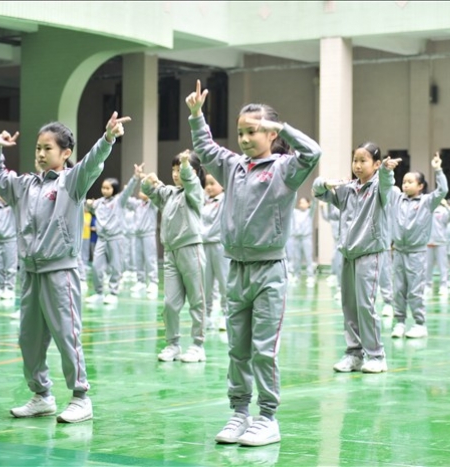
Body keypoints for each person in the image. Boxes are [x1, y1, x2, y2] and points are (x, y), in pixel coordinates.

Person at [186, 80, 321, 446]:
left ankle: (267, 417)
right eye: (241, 132)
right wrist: (197, 116)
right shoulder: (233, 167)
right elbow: (205, 148)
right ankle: (239, 412)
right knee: (237, 349)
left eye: (253, 131)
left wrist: (285, 128)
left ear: (271, 134)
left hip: (268, 271)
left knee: (263, 349)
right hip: (236, 269)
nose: (245, 139)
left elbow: (313, 153)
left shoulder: (284, 169)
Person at [0, 111, 130, 424]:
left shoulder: (71, 182)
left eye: (47, 148)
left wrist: (107, 139)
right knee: (28, 338)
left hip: (60, 271)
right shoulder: (24, 185)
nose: (40, 153)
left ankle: (81, 397)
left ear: (65, 153)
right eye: (38, 148)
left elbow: (92, 163)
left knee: (67, 335)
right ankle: (41, 395)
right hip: (30, 271)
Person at [312, 142, 399, 374]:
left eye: (363, 161)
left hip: (369, 253)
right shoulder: (347, 189)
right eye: (355, 161)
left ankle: (377, 356)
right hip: (348, 255)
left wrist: (386, 171)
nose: (358, 165)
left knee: (365, 305)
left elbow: (387, 183)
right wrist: (325, 183)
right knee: (349, 306)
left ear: (376, 164)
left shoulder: (379, 188)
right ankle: (354, 354)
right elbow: (317, 192)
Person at [142, 150, 208, 363]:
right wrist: (148, 180)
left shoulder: (195, 193)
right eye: (174, 170)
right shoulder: (169, 194)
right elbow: (150, 191)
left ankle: (198, 346)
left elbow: (191, 181)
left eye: (180, 170)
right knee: (170, 303)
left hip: (191, 249)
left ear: (193, 172)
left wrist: (186, 166)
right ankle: (173, 344)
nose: (176, 174)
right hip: (171, 252)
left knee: (197, 300)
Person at [388, 153, 448, 339]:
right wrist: (388, 171)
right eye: (404, 182)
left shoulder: (427, 202)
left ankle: (419, 324)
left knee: (415, 290)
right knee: (398, 289)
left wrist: (438, 169)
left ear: (420, 186)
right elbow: (387, 185)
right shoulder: (397, 199)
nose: (405, 185)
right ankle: (399, 322)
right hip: (399, 251)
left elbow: (443, 190)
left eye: (410, 182)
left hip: (416, 253)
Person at [85, 170, 140, 305]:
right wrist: (88, 204)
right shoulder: (98, 203)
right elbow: (88, 206)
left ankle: (113, 293)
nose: (104, 190)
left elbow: (127, 191)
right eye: (103, 188)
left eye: (107, 188)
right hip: (101, 239)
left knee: (116, 266)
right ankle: (98, 293)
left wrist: (135, 177)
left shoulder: (119, 201)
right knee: (96, 266)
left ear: (114, 189)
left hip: (115, 238)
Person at [202, 173, 229, 331]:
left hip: (220, 246)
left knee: (224, 283)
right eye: (207, 184)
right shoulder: (203, 202)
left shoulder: (225, 199)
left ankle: (226, 316)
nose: (209, 187)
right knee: (206, 285)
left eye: (213, 183)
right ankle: (206, 316)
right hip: (204, 246)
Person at [0, 194, 18, 302]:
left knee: (10, 266)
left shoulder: (13, 206)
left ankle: (9, 288)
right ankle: (0, 286)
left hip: (10, 240)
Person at [425, 200, 450, 296]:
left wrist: (447, 205)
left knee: (443, 266)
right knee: (427, 266)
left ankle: (443, 286)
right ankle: (427, 286)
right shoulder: (426, 209)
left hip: (440, 242)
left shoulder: (443, 210)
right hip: (428, 243)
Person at [290, 197, 317, 287]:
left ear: (308, 204)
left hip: (306, 238)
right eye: (300, 202)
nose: (301, 204)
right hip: (296, 238)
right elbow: (290, 203)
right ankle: (296, 275)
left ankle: (310, 276)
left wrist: (314, 196)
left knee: (308, 258)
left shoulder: (309, 213)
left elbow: (314, 205)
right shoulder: (295, 212)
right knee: (296, 258)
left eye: (304, 202)